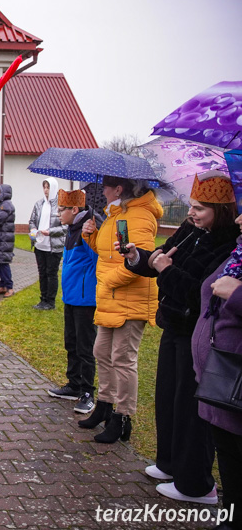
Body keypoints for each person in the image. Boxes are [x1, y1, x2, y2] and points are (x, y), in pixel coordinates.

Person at [122, 173, 238, 504]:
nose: (191, 213)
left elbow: (199, 292)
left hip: (197, 333)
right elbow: (159, 257)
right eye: (191, 205)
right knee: (169, 398)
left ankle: (196, 484)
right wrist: (136, 257)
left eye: (200, 208)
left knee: (191, 408)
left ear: (221, 209)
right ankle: (170, 463)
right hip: (173, 325)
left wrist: (165, 271)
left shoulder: (228, 244)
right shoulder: (190, 231)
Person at [77, 176, 162, 444]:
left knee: (123, 360)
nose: (101, 191)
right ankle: (104, 405)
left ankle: (123, 417)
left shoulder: (140, 216)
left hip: (130, 300)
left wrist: (108, 281)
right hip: (111, 298)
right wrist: (89, 234)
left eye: (105, 187)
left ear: (119, 188)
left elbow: (141, 262)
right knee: (102, 352)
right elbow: (109, 254)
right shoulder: (116, 214)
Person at [192, 211, 242, 527]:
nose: (239, 219)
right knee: (228, 454)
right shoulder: (238, 253)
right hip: (221, 376)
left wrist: (236, 294)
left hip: (234, 378)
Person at [46, 189, 102, 413]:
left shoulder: (89, 229)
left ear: (75, 209)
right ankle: (74, 384)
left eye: (62, 210)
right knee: (71, 342)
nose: (59, 214)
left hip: (85, 299)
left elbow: (98, 260)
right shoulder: (73, 228)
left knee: (84, 347)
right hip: (71, 297)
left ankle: (88, 392)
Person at [28, 177, 64, 309]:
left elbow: (65, 227)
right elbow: (32, 220)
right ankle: (43, 299)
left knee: (51, 273)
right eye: (44, 187)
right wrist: (33, 229)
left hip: (53, 246)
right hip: (40, 244)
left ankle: (50, 301)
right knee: (42, 272)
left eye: (48, 187)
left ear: (53, 188)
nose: (46, 190)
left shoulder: (60, 206)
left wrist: (50, 232)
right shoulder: (39, 204)